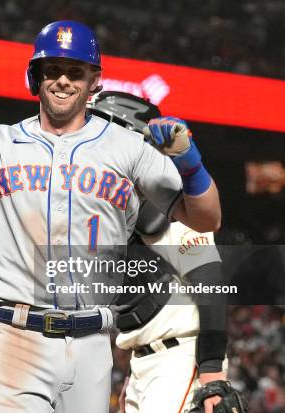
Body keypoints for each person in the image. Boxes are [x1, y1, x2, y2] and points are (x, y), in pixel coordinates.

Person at [0, 18, 221, 413]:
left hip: (92, 342)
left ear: (95, 82)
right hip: (14, 335)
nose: (63, 81)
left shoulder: (128, 148)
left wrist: (190, 162)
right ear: (34, 78)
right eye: (52, 70)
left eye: (76, 72)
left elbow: (207, 219)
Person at [85, 91, 234, 413]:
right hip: (144, 362)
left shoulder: (166, 203)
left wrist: (211, 371)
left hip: (182, 358)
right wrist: (132, 376)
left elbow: (211, 284)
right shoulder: (117, 207)